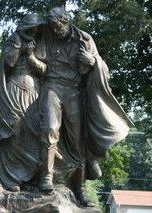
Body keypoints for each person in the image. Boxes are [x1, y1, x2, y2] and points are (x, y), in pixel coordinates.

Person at [38, 7, 134, 207]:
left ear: (65, 22)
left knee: (78, 141)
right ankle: (46, 176)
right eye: (52, 28)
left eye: (57, 27)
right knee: (50, 129)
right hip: (52, 88)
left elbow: (100, 65)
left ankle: (80, 188)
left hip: (74, 92)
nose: (55, 31)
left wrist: (92, 62)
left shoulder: (84, 39)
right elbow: (37, 63)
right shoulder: (45, 36)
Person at [0, 14, 47, 192]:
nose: (35, 31)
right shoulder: (13, 40)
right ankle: (10, 179)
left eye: (37, 28)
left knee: (33, 132)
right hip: (13, 90)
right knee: (13, 131)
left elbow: (44, 69)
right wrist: (18, 48)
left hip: (34, 93)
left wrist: (31, 55)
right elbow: (8, 63)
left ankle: (31, 179)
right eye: (32, 28)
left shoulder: (41, 44)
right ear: (24, 28)